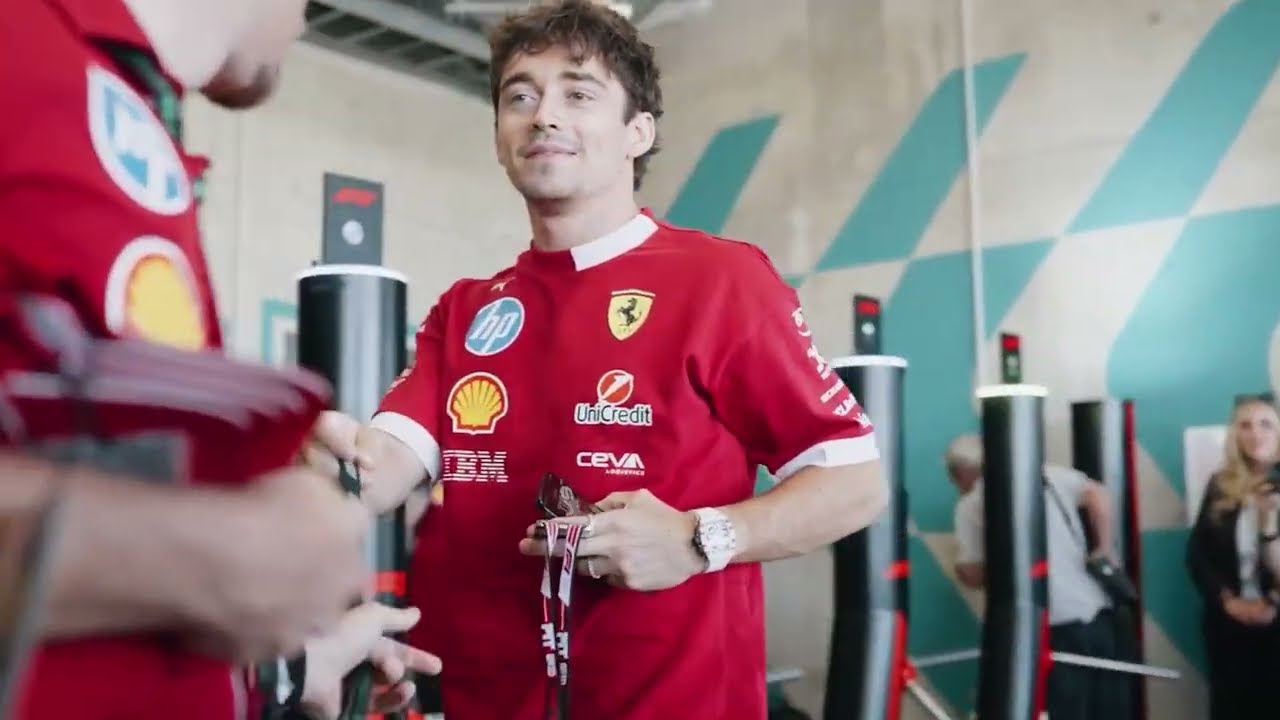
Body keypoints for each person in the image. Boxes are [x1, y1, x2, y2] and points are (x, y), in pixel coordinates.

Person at [303, 2, 888, 718]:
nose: (544, 115)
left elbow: (855, 482)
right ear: (499, 137)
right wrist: (325, 458)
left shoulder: (721, 282)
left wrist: (699, 539)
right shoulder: (467, 310)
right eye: (520, 97)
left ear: (638, 132)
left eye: (578, 94)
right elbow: (383, 465)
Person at [0, 0, 439, 718]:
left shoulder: (115, 102)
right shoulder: (17, 55)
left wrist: (290, 669)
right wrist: (213, 554)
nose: (303, 21)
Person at [945, 433, 1129, 720]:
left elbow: (972, 573)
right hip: (1096, 615)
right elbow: (1098, 495)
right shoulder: (1049, 476)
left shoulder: (971, 504)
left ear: (961, 472)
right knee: (1107, 710)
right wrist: (1104, 549)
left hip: (1046, 629)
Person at [1186, 395, 1280, 720]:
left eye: (1266, 424)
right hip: (1228, 625)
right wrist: (1227, 601)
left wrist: (1272, 602)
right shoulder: (1220, 485)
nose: (1255, 434)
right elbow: (1197, 553)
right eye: (1245, 425)